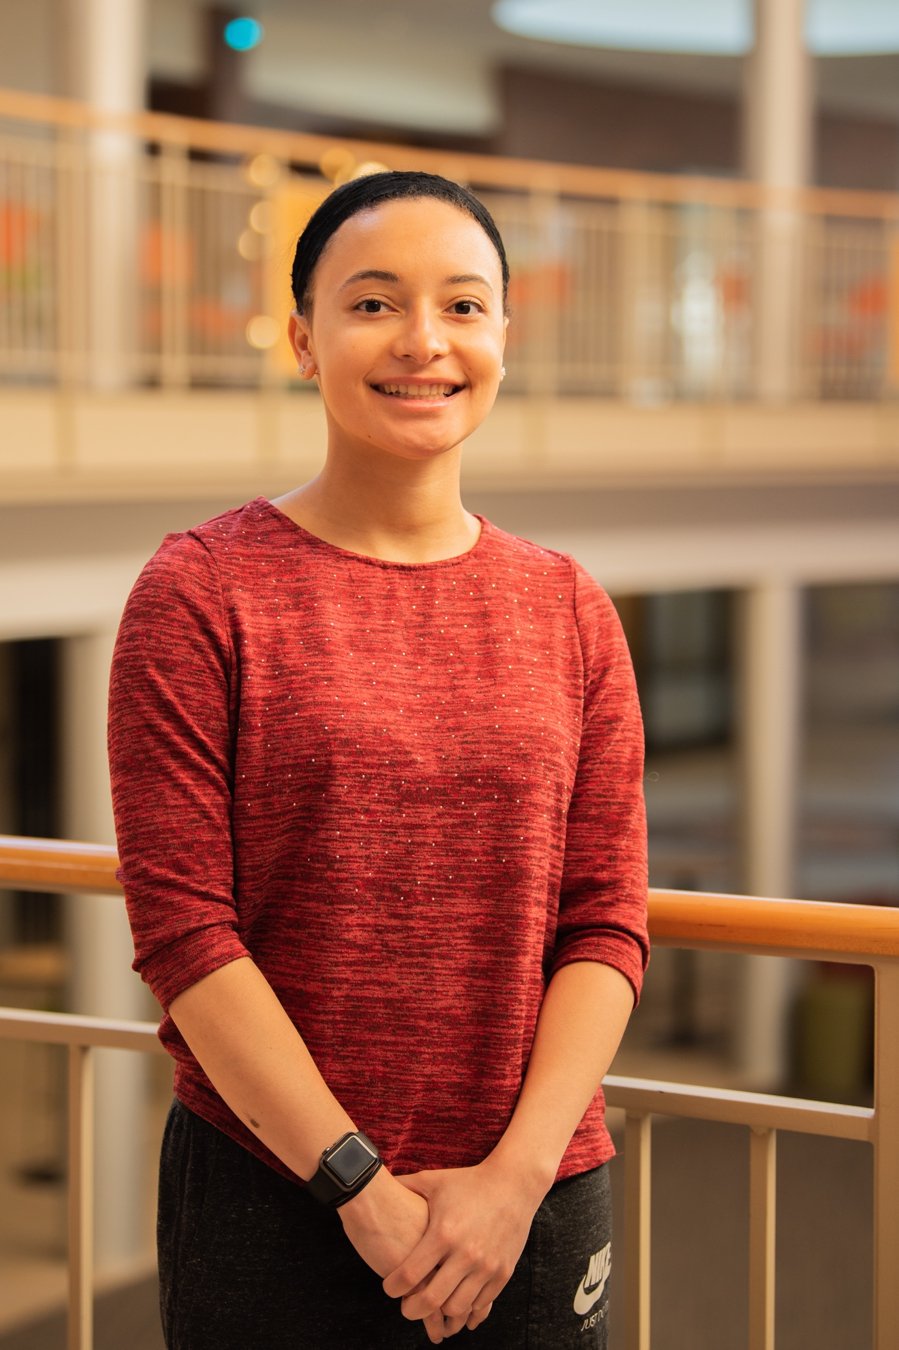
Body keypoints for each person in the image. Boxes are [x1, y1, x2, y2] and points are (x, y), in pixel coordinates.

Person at [108, 170, 649, 1350]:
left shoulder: (568, 607)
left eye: (463, 306)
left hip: (534, 1210)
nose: (423, 343)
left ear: (504, 334)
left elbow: (605, 921)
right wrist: (355, 1185)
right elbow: (186, 934)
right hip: (276, 1202)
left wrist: (511, 1184)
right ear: (303, 338)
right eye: (372, 304)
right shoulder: (200, 592)